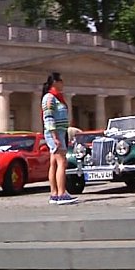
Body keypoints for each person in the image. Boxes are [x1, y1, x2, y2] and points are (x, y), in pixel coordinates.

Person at [41, 72, 77, 205]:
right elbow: (48, 117)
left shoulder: (57, 97)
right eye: (61, 81)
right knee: (62, 162)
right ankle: (62, 194)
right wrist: (54, 136)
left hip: (60, 132)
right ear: (55, 82)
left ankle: (54, 194)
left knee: (54, 163)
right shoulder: (49, 98)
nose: (63, 84)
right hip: (55, 133)